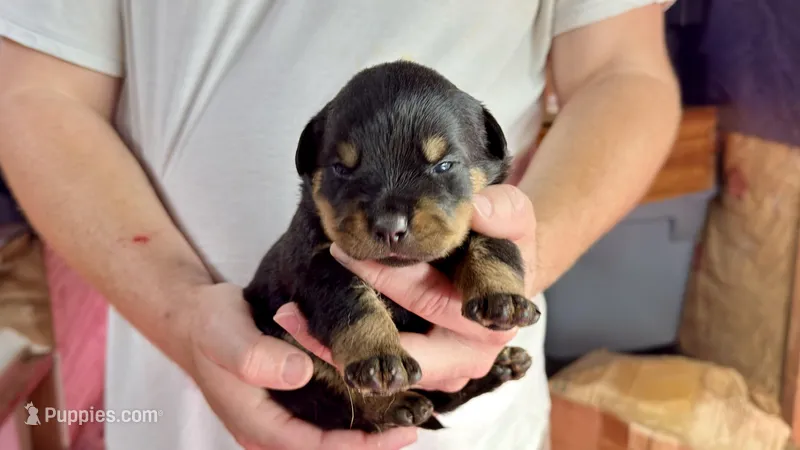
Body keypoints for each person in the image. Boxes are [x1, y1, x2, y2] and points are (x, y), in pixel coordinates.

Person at [0, 1, 680, 449]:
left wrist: (506, 284)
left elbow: (622, 74)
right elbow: (35, 94)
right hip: (177, 395)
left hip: (468, 423)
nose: (390, 220)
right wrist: (178, 314)